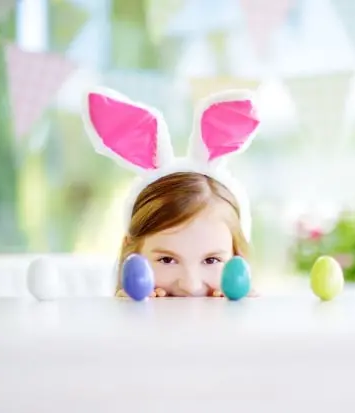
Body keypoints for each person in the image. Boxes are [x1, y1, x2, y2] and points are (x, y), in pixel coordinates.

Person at [82, 86, 261, 297]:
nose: (190, 286)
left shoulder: (250, 319)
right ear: (131, 250)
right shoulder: (119, 320)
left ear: (236, 254)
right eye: (167, 260)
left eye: (211, 260)